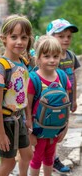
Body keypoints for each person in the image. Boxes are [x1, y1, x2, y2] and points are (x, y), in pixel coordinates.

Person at [0, 15, 33, 176]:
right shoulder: (2, 68)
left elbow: (23, 94)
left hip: (19, 118)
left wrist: (28, 117)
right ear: (4, 39)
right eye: (14, 37)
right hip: (5, 122)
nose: (19, 42)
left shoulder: (23, 62)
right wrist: (0, 133)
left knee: (28, 154)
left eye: (24, 37)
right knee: (8, 163)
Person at [28, 35, 71, 176]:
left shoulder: (62, 77)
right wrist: (29, 132)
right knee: (36, 158)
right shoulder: (33, 79)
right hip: (38, 129)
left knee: (49, 157)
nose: (52, 60)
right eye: (46, 56)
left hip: (56, 128)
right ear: (38, 58)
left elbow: (66, 104)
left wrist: (65, 127)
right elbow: (27, 107)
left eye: (55, 56)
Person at [46, 18, 81, 174]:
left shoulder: (71, 56)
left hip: (65, 102)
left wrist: (73, 100)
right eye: (61, 36)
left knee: (61, 131)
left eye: (68, 36)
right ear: (51, 37)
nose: (66, 39)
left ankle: (52, 157)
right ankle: (52, 159)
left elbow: (73, 77)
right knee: (49, 131)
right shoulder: (50, 57)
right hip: (51, 103)